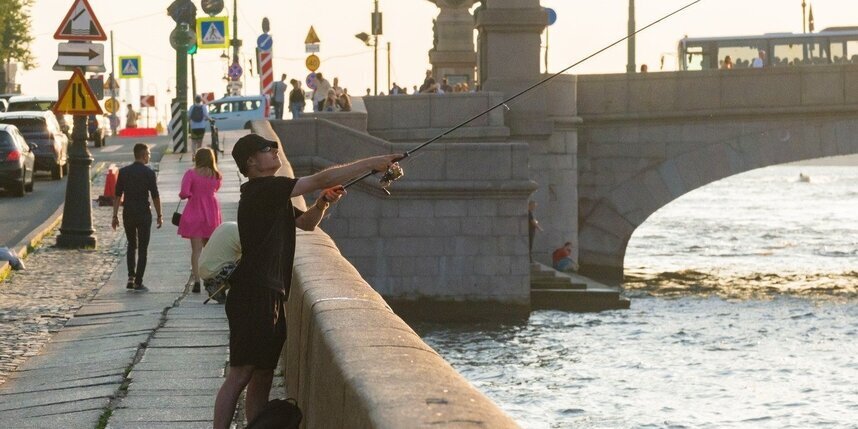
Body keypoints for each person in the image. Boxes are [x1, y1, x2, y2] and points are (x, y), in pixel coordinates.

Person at [213, 134, 400, 428]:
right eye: (268, 149)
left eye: (275, 147)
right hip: (253, 294)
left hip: (273, 293)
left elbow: (306, 223)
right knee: (241, 374)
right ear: (251, 162)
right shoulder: (263, 189)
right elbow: (319, 179)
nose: (275, 152)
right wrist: (372, 163)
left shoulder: (273, 194)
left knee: (263, 373)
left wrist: (322, 203)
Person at [112, 143, 163, 291]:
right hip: (143, 214)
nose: (149, 156)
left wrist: (114, 216)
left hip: (128, 213)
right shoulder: (149, 173)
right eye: (149, 154)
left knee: (131, 245)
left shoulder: (123, 172)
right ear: (144, 155)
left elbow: (117, 196)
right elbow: (155, 196)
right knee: (143, 248)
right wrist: (159, 215)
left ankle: (130, 277)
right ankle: (138, 281)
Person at [178, 147, 222, 293]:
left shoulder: (191, 173)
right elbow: (216, 188)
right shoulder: (216, 175)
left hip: (194, 213)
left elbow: (184, 193)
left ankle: (197, 281)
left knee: (196, 251)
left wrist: (191, 194)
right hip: (211, 213)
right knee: (210, 250)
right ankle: (210, 279)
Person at [199, 221, 241, 303]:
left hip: (204, 269)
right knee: (247, 267)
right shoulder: (242, 235)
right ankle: (217, 286)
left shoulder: (229, 226)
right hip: (215, 271)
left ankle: (214, 285)